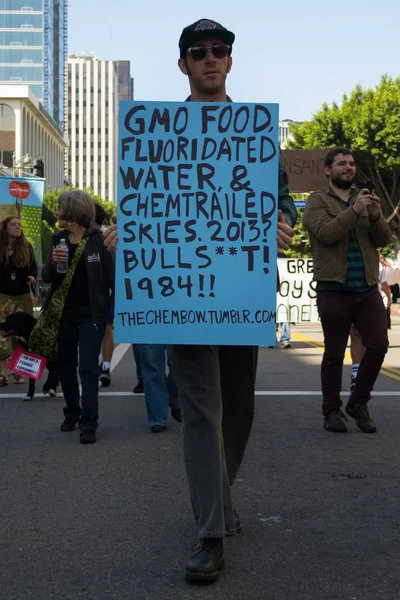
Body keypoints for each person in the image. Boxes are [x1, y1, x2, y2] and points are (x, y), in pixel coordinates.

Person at [104, 19, 296, 582]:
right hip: (182, 300)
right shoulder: (154, 132)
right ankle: (210, 532)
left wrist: (281, 223)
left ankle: (221, 499)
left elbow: (280, 199)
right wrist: (128, 231)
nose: (211, 59)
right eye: (199, 52)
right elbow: (142, 202)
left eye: (220, 51)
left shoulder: (256, 132)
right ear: (184, 65)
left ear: (230, 62)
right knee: (200, 415)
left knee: (239, 410)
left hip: (240, 293)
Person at [303, 147, 391, 434]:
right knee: (334, 353)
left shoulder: (363, 199)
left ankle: (358, 402)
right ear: (328, 170)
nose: (349, 168)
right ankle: (331, 410)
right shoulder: (317, 201)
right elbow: (326, 233)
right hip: (334, 289)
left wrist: (376, 215)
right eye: (342, 163)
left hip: (366, 288)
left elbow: (383, 241)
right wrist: (354, 212)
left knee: (378, 345)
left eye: (352, 164)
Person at [42, 191, 114, 444]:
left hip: (91, 316)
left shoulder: (98, 241)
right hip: (63, 315)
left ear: (72, 210)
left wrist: (110, 314)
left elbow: (113, 279)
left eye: (60, 207)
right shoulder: (58, 239)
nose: (57, 211)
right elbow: (47, 277)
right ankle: (72, 412)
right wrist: (51, 261)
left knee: (87, 368)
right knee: (65, 367)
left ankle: (89, 423)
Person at [0, 216, 37, 385]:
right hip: (3, 295)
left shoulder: (27, 246)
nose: (18, 227)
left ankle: (19, 372)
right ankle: (2, 373)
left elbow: (33, 267)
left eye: (20, 225)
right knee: (3, 333)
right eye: (14, 224)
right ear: (5, 228)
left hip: (22, 295)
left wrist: (32, 276)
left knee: (22, 334)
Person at [92, 203, 115, 387]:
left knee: (107, 328)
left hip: (107, 292)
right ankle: (98, 363)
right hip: (91, 295)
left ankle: (105, 366)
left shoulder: (106, 237)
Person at [137, 344, 181, 432]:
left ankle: (175, 399)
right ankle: (158, 418)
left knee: (179, 364)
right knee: (151, 366)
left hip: (176, 330)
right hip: (149, 330)